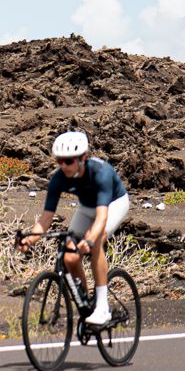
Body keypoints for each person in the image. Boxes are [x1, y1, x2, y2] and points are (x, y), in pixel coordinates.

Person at [17, 131, 129, 325]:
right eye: (59, 161)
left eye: (68, 161)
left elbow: (102, 218)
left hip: (113, 205)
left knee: (96, 242)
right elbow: (45, 219)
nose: (63, 166)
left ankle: (102, 307)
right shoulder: (58, 179)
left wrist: (90, 239)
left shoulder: (100, 173)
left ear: (82, 158)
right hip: (87, 209)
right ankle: (86, 303)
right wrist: (30, 239)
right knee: (69, 256)